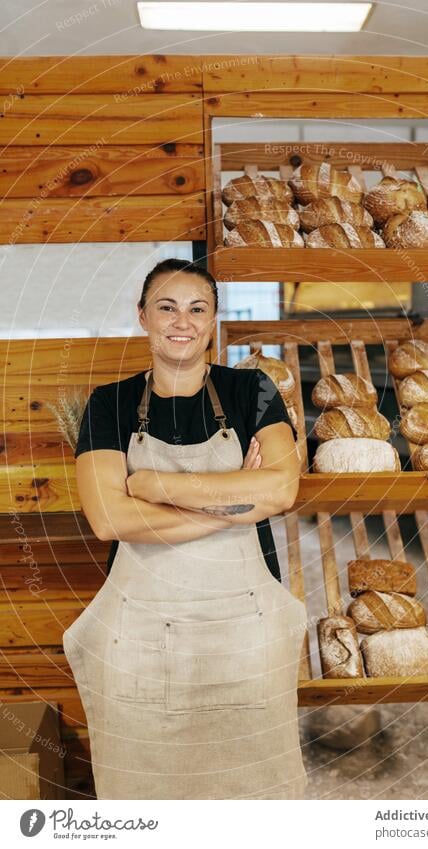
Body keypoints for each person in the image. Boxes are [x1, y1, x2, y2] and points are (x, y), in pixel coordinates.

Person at [63, 258, 309, 800]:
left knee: (256, 797)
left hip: (246, 634)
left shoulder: (254, 393)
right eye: (167, 307)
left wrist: (151, 484)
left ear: (214, 319)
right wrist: (229, 504)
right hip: (142, 642)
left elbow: (281, 491)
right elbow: (109, 519)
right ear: (143, 318)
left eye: (198, 309)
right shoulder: (111, 403)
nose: (183, 321)